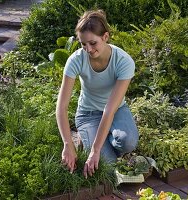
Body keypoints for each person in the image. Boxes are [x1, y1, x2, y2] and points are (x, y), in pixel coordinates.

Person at [56, 9, 139, 179]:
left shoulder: (123, 61)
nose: (88, 49)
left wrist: (95, 150)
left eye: (93, 43)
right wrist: (67, 144)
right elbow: (62, 107)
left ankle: (97, 140)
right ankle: (87, 137)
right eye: (83, 44)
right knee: (106, 167)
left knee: (127, 142)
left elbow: (109, 110)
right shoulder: (76, 60)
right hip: (88, 114)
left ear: (105, 37)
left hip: (116, 111)